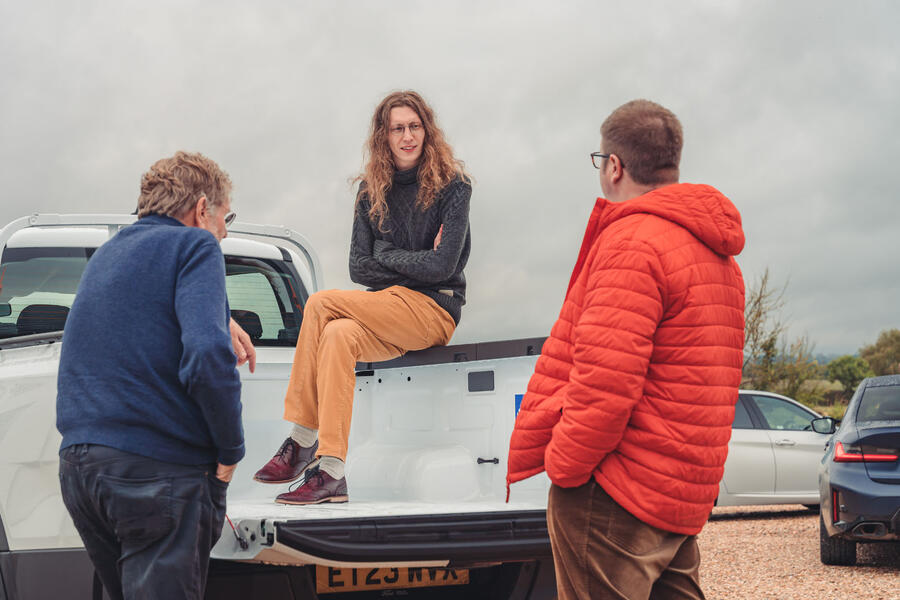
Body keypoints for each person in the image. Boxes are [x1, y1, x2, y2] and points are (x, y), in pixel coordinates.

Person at [507, 100, 745, 600]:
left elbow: (605, 385)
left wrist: (566, 471)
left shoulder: (632, 243)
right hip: (679, 491)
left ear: (614, 166)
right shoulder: (718, 257)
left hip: (619, 492)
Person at [254, 90, 471, 505]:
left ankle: (301, 438)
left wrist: (386, 254)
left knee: (320, 304)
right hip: (387, 307)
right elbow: (359, 268)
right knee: (337, 335)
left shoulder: (453, 187)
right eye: (397, 129)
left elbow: (443, 268)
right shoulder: (371, 193)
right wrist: (414, 260)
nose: (407, 136)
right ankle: (332, 471)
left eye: (414, 126)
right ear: (383, 137)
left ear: (426, 130)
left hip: (435, 308)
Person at [57, 151, 246, 600]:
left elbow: (140, 318)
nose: (223, 230)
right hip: (154, 474)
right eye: (226, 216)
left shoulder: (109, 253)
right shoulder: (196, 246)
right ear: (202, 209)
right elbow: (206, 356)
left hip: (81, 472)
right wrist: (229, 450)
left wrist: (219, 314)